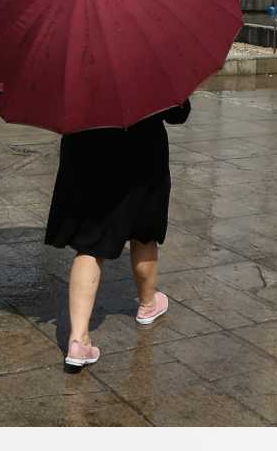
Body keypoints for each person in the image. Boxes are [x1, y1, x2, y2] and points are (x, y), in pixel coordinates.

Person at [46, 100, 191, 370]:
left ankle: (78, 340)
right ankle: (148, 304)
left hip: (86, 152)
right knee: (143, 233)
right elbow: (177, 113)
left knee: (89, 245)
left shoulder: (75, 64)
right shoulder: (149, 61)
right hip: (141, 154)